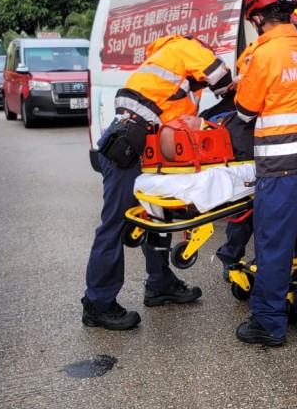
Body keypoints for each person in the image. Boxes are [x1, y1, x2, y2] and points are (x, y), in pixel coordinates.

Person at [82, 34, 234, 331]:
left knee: (157, 214)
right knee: (114, 226)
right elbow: (221, 77)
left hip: (141, 146)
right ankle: (97, 303)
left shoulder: (172, 74)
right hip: (127, 146)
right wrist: (237, 88)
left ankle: (160, 283)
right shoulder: (186, 48)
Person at [233, 0, 297, 346]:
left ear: (258, 17)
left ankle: (269, 323)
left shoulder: (264, 54)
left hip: (282, 166)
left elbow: (245, 112)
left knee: (275, 245)